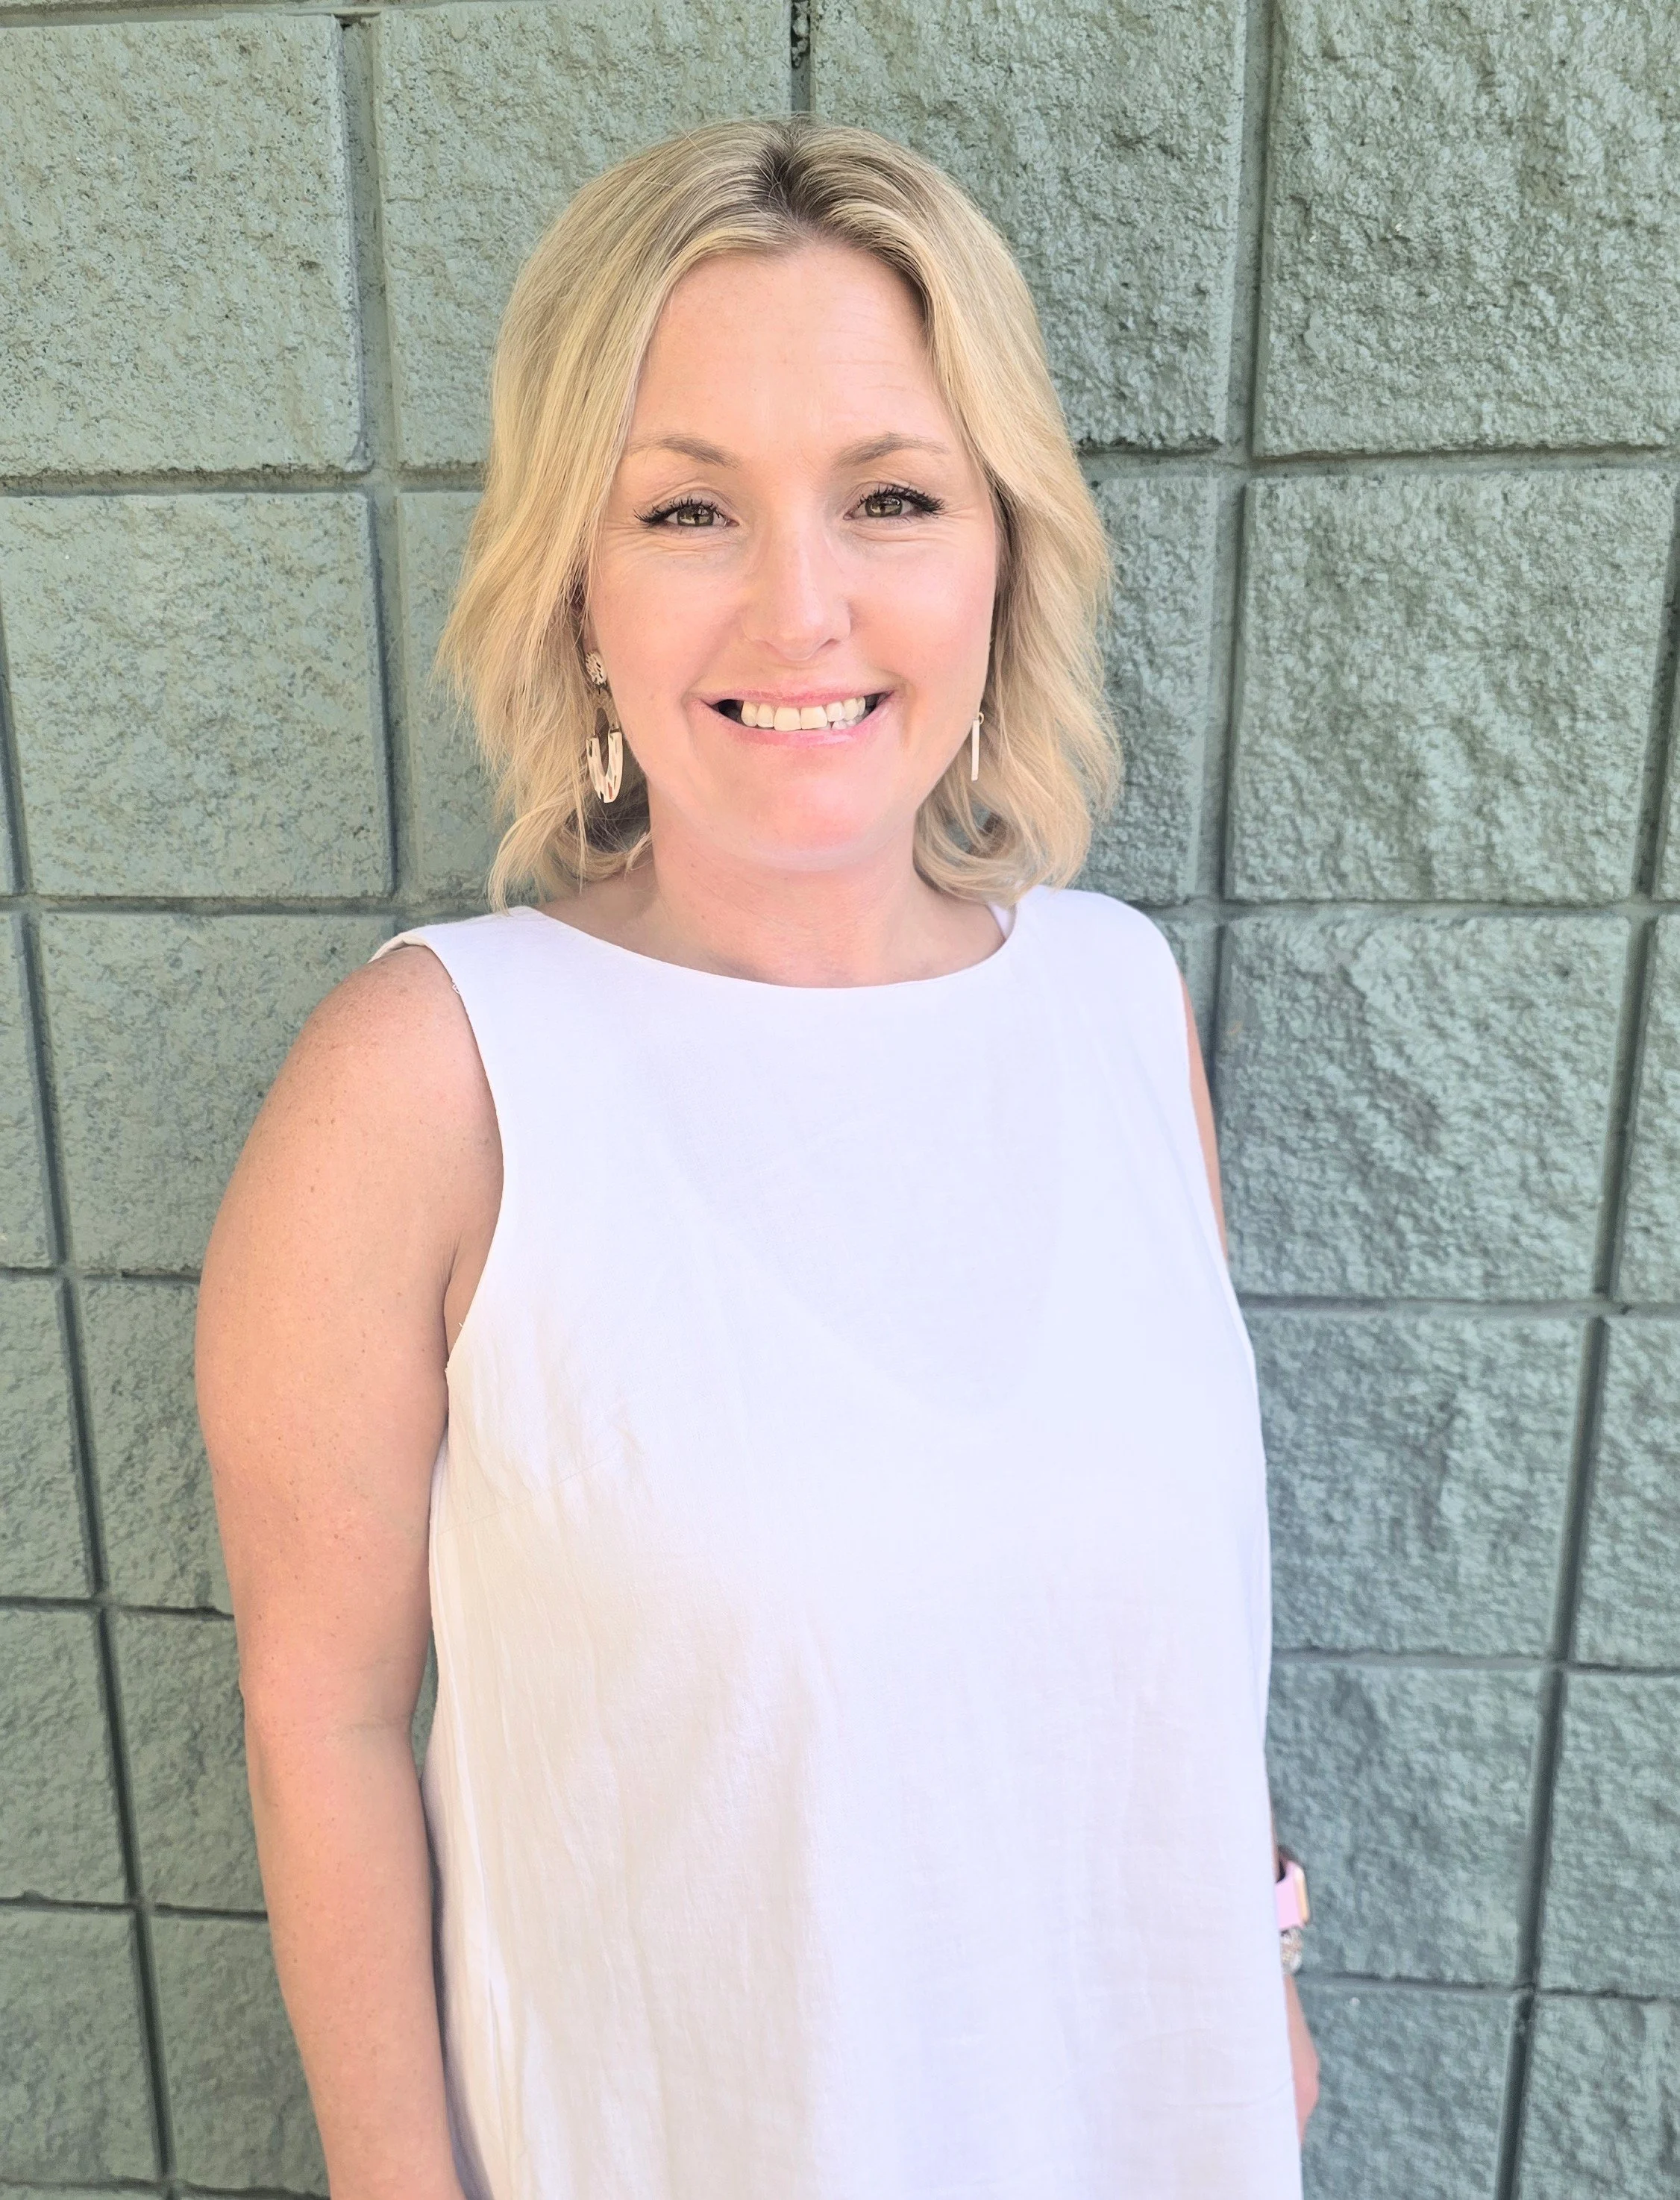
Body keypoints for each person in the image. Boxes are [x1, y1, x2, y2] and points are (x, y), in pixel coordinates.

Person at [196, 117, 1319, 2200]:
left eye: (888, 495)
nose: (800, 608)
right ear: (575, 582)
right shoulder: (433, 1071)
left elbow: (1147, 1600)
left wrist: (1250, 1955)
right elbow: (324, 1718)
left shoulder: (1110, 1003)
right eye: (689, 507)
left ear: (1001, 547)